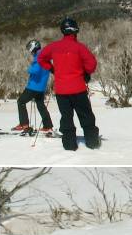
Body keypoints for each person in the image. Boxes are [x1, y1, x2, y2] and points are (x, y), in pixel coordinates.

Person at [38, 17, 99, 151]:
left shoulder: (54, 47)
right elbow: (92, 64)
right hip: (78, 89)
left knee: (66, 117)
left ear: (62, 31)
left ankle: (69, 144)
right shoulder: (79, 47)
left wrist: (52, 68)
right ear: (76, 30)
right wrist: (85, 72)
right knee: (86, 115)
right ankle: (92, 142)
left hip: (61, 91)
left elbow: (41, 58)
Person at [12, 40, 54, 134]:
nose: (30, 52)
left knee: (21, 102)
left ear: (33, 48)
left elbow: (36, 70)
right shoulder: (44, 56)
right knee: (40, 105)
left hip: (34, 86)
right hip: (41, 86)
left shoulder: (39, 56)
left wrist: (29, 69)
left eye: (30, 49)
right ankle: (48, 126)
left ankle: (24, 124)